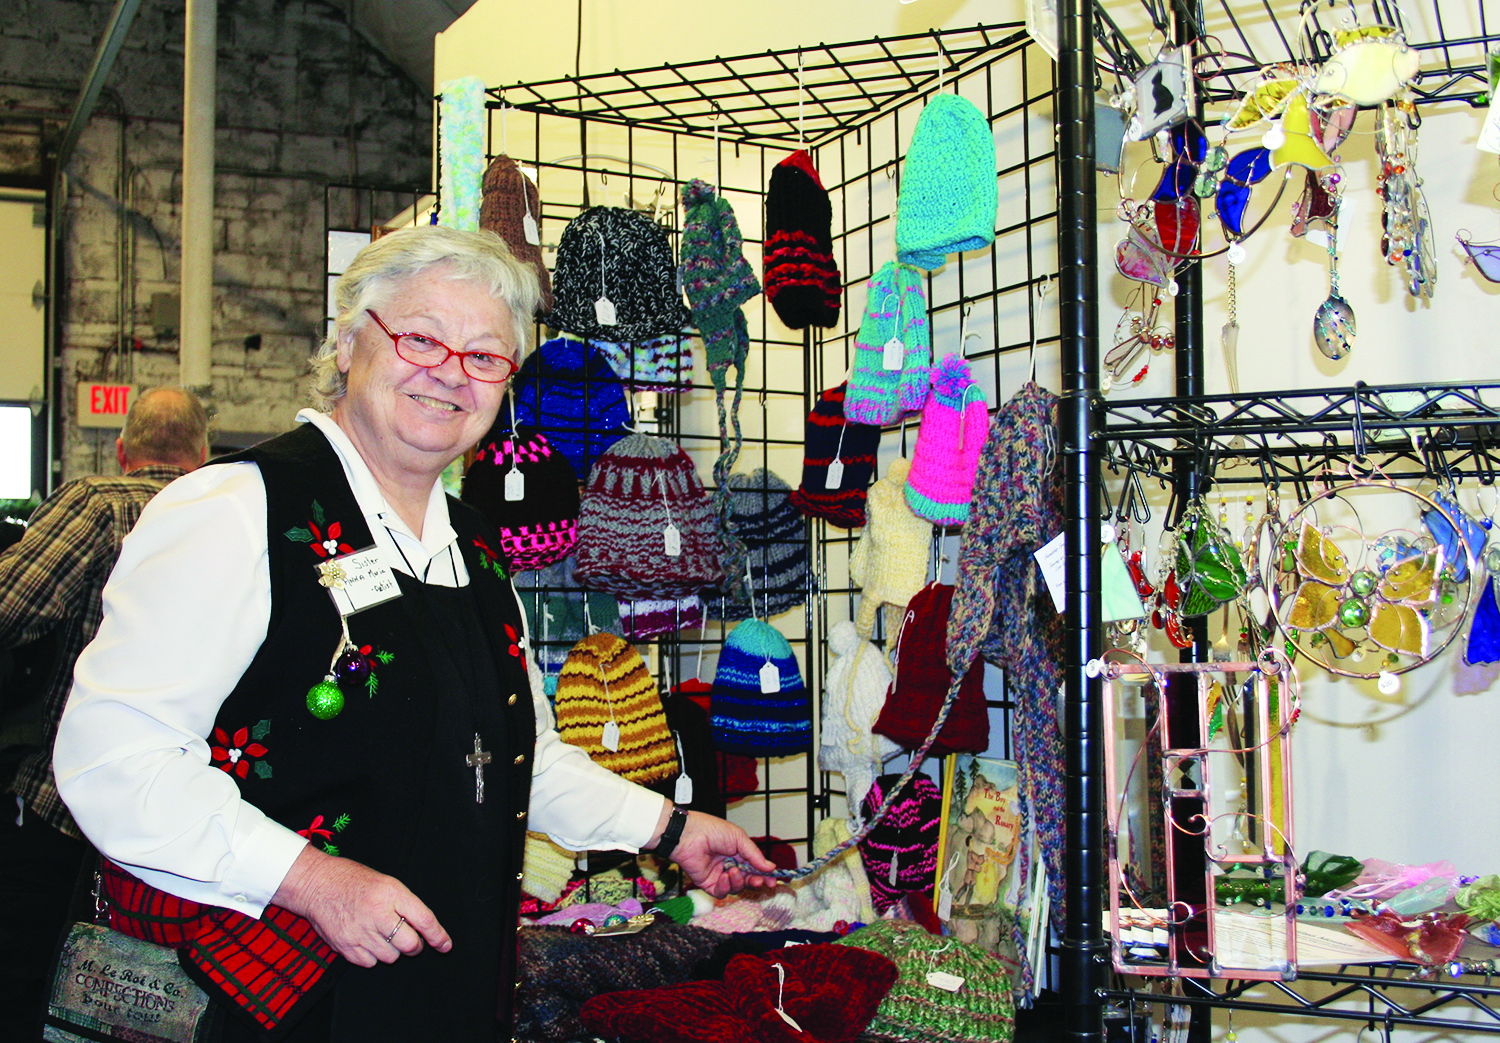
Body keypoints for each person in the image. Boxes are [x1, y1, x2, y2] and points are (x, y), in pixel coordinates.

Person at [54, 227, 776, 1042]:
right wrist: (310, 879)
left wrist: (673, 829)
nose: (450, 374)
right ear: (349, 341)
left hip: (445, 995)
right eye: (422, 337)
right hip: (263, 1005)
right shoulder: (234, 511)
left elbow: (517, 762)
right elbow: (113, 759)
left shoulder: (476, 549)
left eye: (485, 356)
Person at [0, 386, 209, 1026]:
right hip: (188, 825)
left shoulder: (97, 502)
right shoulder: (231, 517)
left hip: (65, 810)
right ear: (201, 456)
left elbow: (8, 607)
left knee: (25, 995)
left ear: (123, 450)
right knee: (146, 1011)